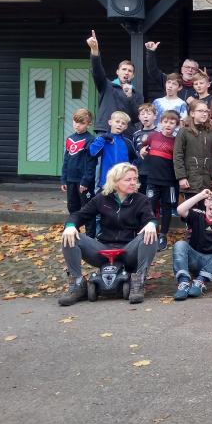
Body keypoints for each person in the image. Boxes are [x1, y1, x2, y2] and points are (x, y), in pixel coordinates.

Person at [58, 163, 156, 306]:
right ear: (115, 182)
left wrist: (152, 224)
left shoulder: (141, 200)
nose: (133, 183)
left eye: (135, 179)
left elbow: (150, 219)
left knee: (150, 233)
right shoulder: (102, 198)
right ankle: (77, 284)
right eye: (128, 179)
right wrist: (70, 226)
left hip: (129, 251)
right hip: (103, 250)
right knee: (70, 235)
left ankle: (138, 281)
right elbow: (79, 215)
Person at [139, 110, 180, 250]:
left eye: (172, 123)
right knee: (150, 206)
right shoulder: (152, 136)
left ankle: (163, 235)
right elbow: (143, 146)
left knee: (167, 208)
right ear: (161, 123)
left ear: (176, 125)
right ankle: (151, 233)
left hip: (169, 182)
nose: (168, 125)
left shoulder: (176, 141)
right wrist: (142, 150)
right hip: (152, 180)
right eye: (165, 122)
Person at [87, 30, 142, 133]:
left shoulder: (137, 94)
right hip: (105, 130)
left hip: (126, 134)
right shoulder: (106, 86)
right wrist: (94, 50)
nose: (126, 72)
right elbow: (97, 71)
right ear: (117, 72)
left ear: (133, 75)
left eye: (130, 71)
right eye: (124, 69)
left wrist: (129, 97)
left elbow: (136, 118)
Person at [60, 108, 97, 238]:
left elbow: (91, 163)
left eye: (81, 123)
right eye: (75, 122)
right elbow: (66, 160)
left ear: (88, 124)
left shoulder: (91, 140)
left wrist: (86, 181)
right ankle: (74, 234)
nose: (77, 125)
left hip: (84, 182)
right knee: (72, 207)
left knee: (87, 209)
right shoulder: (70, 139)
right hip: (71, 180)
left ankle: (90, 237)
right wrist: (63, 179)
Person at [173, 100, 212, 199]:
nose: (204, 114)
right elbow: (178, 156)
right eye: (200, 111)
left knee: (206, 208)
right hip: (189, 181)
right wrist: (181, 177)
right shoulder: (184, 132)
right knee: (190, 208)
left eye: (206, 111)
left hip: (207, 181)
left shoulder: (211, 132)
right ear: (192, 113)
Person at [89, 111, 137, 190]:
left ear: (126, 127)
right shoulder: (102, 139)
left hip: (123, 182)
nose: (120, 124)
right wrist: (102, 138)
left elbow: (134, 160)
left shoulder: (128, 142)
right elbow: (93, 152)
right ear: (110, 122)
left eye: (123, 123)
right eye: (117, 121)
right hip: (106, 181)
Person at [132, 103, 157, 195]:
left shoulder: (159, 133)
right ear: (139, 117)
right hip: (139, 173)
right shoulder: (136, 134)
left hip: (154, 173)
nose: (145, 116)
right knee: (139, 198)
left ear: (155, 116)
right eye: (142, 114)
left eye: (149, 114)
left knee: (151, 199)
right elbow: (133, 154)